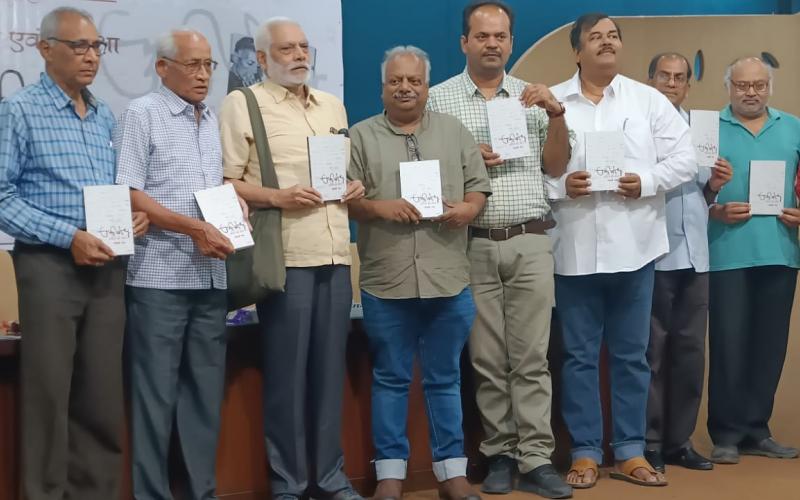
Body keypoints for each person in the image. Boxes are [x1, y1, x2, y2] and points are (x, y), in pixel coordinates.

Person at [0, 7, 147, 499]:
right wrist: (68, 236)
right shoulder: (18, 110)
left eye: (96, 47)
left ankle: (97, 492)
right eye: (78, 47)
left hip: (107, 265)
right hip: (49, 266)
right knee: (48, 394)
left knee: (101, 395)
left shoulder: (104, 113)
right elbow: (2, 197)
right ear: (44, 48)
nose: (91, 57)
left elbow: (113, 190)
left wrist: (132, 220)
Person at [427, 2, 572, 498]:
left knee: (532, 357)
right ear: (464, 42)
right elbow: (425, 177)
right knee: (487, 358)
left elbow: (555, 167)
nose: (492, 44)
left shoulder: (533, 97)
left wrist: (556, 114)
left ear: (511, 42)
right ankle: (499, 454)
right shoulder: (440, 100)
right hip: (471, 242)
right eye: (482, 35)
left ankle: (537, 457)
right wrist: (466, 164)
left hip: (531, 237)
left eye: (501, 36)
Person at [547, 12, 696, 488]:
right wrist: (559, 185)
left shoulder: (647, 99)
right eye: (595, 37)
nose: (607, 43)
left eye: (613, 36)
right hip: (573, 248)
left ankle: (631, 450)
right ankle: (586, 451)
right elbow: (531, 170)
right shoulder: (553, 102)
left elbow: (686, 158)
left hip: (635, 247)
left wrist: (648, 180)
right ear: (577, 51)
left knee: (634, 355)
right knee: (578, 356)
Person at [218, 17, 364, 500]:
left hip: (335, 253)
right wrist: (277, 197)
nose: (300, 55)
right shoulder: (244, 104)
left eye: (304, 46)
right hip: (286, 257)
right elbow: (226, 182)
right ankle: (288, 482)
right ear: (262, 59)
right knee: (286, 374)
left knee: (329, 375)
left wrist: (353, 187)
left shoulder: (332, 106)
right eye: (286, 49)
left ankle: (330, 477)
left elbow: (337, 174)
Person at [348, 45, 491, 500]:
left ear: (427, 86)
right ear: (383, 86)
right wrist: (377, 207)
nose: (405, 88)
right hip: (385, 280)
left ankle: (451, 472)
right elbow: (346, 199)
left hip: (448, 278)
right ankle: (391, 473)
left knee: (445, 378)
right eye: (396, 81)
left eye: (414, 81)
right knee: (390, 378)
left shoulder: (454, 132)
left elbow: (478, 189)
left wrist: (468, 210)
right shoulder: (360, 136)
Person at [114, 28, 235, 500]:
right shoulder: (142, 114)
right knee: (155, 400)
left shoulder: (211, 119)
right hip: (158, 277)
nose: (203, 75)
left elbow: (209, 189)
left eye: (209, 65)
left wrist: (231, 208)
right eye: (193, 65)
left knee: (205, 398)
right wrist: (194, 228)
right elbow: (129, 193)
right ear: (163, 67)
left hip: (210, 277)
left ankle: (201, 493)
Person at [706, 56, 800, 465]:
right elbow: (687, 192)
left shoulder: (794, 127)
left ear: (770, 87)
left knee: (769, 346)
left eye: (759, 85)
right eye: (742, 85)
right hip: (727, 251)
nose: (751, 92)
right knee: (728, 344)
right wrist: (714, 207)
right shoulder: (708, 130)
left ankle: (757, 429)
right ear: (729, 87)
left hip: (781, 250)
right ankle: (726, 433)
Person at [643, 52, 732, 473]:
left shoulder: (702, 129)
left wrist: (713, 186)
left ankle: (681, 441)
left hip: (697, 255)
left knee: (691, 353)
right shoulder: (636, 125)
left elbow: (703, 197)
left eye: (679, 77)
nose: (672, 83)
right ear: (650, 79)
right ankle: (650, 443)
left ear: (687, 85)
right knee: (652, 354)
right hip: (654, 254)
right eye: (665, 75)